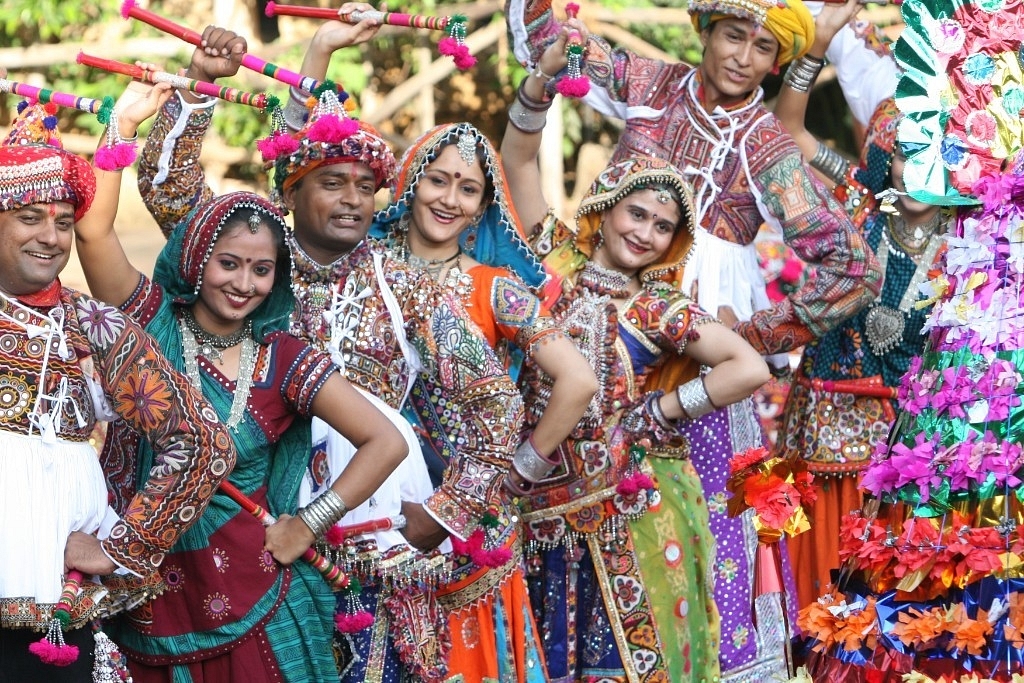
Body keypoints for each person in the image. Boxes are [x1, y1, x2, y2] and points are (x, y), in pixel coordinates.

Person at [136, 20, 546, 683]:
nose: (353, 199)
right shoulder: (253, 259)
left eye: (365, 185)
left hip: (380, 532)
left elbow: (495, 403)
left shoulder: (404, 286)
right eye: (333, 182)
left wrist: (446, 515)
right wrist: (204, 82)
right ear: (290, 192)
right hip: (256, 516)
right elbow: (170, 196)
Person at [506, 1, 882, 678]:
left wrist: (748, 332)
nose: (743, 56)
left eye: (765, 48)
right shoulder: (649, 85)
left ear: (777, 62)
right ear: (704, 32)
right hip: (590, 313)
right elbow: (551, 46)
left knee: (695, 536)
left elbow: (851, 268)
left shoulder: (767, 145)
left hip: (696, 365)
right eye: (733, 35)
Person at [73, 80, 409, 681]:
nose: (243, 284)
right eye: (228, 264)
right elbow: (94, 233)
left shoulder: (284, 358)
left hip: (260, 601)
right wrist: (119, 130)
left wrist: (309, 521)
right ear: (197, 259)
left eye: (262, 270)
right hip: (146, 592)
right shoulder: (149, 321)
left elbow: (387, 442)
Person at [502, 35, 772, 682]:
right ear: (607, 206)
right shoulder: (557, 258)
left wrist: (664, 407)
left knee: (628, 659)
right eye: (637, 213)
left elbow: (748, 365)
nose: (644, 233)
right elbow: (518, 160)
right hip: (534, 503)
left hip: (630, 509)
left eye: (661, 227)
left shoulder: (656, 307)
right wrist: (538, 83)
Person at [0, 100, 235, 681]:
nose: (51, 236)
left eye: (62, 220)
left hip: (50, 614)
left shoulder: (96, 328)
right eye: (30, 217)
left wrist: (123, 546)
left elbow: (202, 441)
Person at [772, 0, 947, 610]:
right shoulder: (859, 202)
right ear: (882, 159)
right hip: (826, 442)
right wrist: (816, 46)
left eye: (933, 153)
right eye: (903, 152)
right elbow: (790, 132)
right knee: (820, 607)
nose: (916, 168)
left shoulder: (977, 244)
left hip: (914, 457)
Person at [370, 121, 598, 480]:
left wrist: (520, 470)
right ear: (412, 181)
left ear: (480, 207)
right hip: (346, 469)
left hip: (443, 495)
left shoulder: (494, 289)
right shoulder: (365, 261)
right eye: (438, 180)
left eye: (468, 189)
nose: (449, 200)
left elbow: (579, 379)